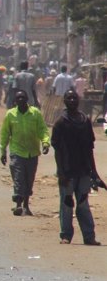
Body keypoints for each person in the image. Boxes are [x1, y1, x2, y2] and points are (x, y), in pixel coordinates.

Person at [51, 89, 103, 245]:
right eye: (69, 98)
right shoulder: (60, 122)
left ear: (78, 100)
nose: (72, 100)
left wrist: (94, 172)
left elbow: (89, 149)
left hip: (84, 171)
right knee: (67, 204)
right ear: (65, 101)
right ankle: (66, 235)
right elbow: (57, 150)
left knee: (83, 204)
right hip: (67, 171)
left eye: (74, 98)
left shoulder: (85, 121)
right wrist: (61, 173)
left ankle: (89, 236)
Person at [0, 90, 50, 216]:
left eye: (23, 97)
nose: (21, 100)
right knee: (18, 177)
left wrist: (45, 143)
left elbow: (42, 129)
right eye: (18, 98)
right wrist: (3, 152)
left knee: (29, 179)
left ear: (27, 99)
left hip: (32, 152)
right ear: (15, 101)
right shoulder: (10, 115)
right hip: (17, 151)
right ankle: (18, 204)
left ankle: (26, 205)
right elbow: (5, 134)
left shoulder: (35, 113)